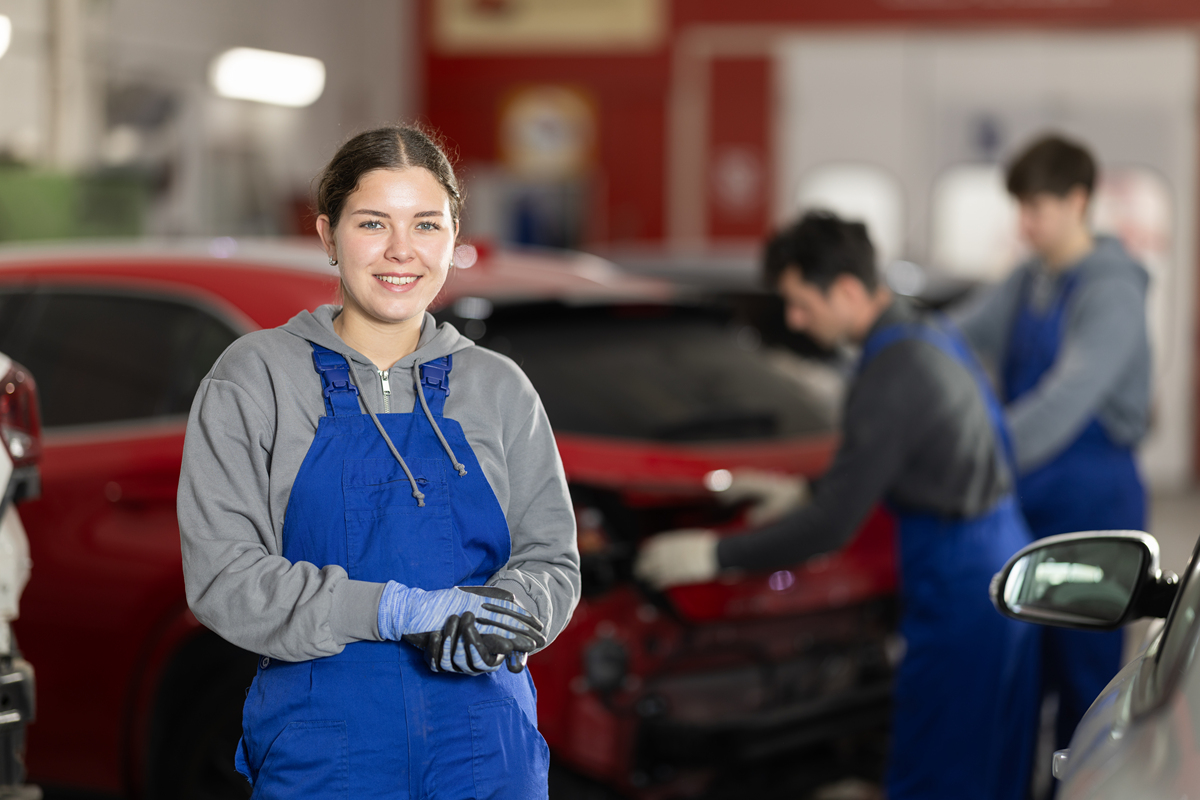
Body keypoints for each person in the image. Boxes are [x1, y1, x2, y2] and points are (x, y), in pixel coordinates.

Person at [177, 124, 580, 797]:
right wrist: (395, 610)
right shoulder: (256, 377)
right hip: (326, 750)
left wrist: (505, 608)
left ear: (455, 237)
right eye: (372, 223)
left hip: (485, 745)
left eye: (426, 224)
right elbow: (223, 578)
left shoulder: (498, 385)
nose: (402, 251)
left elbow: (553, 560)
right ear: (328, 235)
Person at [635, 211, 1039, 800]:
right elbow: (888, 458)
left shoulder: (892, 369)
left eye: (801, 304)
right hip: (997, 556)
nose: (795, 321)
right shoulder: (924, 331)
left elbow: (830, 528)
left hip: (963, 584)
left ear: (848, 290)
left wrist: (715, 554)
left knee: (939, 769)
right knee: (990, 762)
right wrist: (805, 490)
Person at [954, 133, 1150, 750]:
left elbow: (1065, 401)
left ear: (1078, 201)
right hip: (1032, 502)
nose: (1025, 222)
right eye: (1020, 206)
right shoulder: (1028, 280)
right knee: (1021, 674)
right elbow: (955, 337)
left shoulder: (1111, 291)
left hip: (1093, 507)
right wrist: (895, 349)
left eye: (1036, 206)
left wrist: (979, 458)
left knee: (1085, 685)